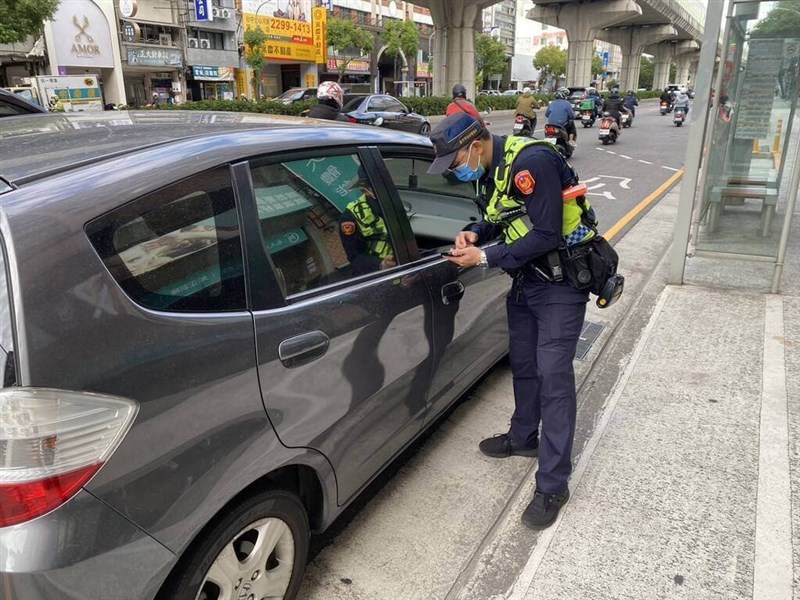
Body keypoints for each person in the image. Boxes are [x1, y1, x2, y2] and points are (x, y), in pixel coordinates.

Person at [426, 113, 595, 529]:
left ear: (476, 146)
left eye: (454, 160)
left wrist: (483, 257)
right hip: (526, 278)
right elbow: (502, 217)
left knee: (553, 377)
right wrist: (475, 232)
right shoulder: (489, 171)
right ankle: (523, 438)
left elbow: (546, 233)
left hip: (561, 281)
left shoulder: (531, 162)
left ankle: (553, 483)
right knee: (523, 363)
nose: (454, 169)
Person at [338, 167, 396, 275]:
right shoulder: (350, 218)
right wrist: (381, 264)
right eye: (379, 186)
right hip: (383, 276)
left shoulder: (401, 200)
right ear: (365, 190)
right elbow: (355, 256)